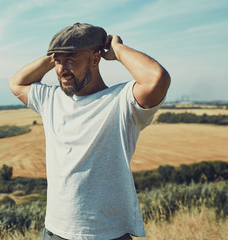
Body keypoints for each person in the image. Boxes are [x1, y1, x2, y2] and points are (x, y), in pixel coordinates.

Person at [9, 23, 170, 240]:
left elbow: (157, 79)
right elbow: (16, 83)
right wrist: (55, 55)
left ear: (95, 59)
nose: (60, 69)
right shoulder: (52, 99)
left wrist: (117, 50)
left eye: (70, 59)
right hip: (54, 232)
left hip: (108, 234)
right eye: (57, 61)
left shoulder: (121, 101)